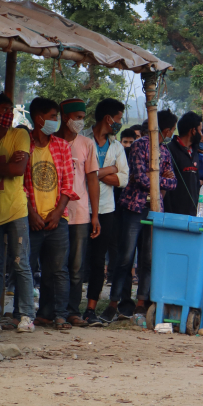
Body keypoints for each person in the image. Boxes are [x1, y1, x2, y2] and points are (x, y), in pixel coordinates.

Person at [102, 110, 177, 322]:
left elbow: (173, 183)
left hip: (154, 209)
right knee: (125, 258)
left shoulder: (165, 150)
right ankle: (114, 303)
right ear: (166, 130)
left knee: (148, 258)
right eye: (171, 130)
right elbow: (143, 179)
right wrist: (162, 178)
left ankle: (141, 303)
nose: (171, 133)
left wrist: (157, 179)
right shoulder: (139, 145)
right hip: (134, 207)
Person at [0, 93, 36, 334]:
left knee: (20, 264)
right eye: (4, 111)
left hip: (15, 209)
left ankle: (25, 314)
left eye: (10, 110)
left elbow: (17, 169)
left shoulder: (20, 134)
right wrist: (0, 166)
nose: (9, 115)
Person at [25, 97, 78, 331]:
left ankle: (59, 315)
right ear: (39, 119)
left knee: (58, 269)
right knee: (26, 267)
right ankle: (25, 313)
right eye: (53, 117)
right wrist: (31, 214)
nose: (56, 121)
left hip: (57, 219)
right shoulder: (24, 144)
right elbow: (20, 185)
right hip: (31, 218)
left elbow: (68, 183)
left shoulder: (61, 146)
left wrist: (57, 213)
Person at [54, 99, 102, 328]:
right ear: (65, 117)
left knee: (76, 267)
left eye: (83, 117)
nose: (81, 122)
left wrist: (95, 214)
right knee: (55, 264)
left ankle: (72, 310)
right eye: (77, 117)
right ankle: (53, 310)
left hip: (80, 213)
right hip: (54, 212)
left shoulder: (86, 144)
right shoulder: (52, 141)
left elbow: (92, 179)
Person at [84, 98, 128, 326]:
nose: (120, 123)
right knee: (76, 259)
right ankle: (68, 306)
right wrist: (108, 170)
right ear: (108, 118)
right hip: (81, 208)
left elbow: (123, 179)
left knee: (98, 259)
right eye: (119, 119)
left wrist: (94, 173)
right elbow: (78, 174)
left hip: (106, 210)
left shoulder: (117, 146)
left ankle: (90, 308)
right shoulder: (83, 140)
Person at [164, 111, 202, 216]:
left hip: (192, 212)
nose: (202, 135)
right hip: (172, 213)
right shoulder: (168, 150)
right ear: (193, 131)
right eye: (200, 131)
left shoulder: (194, 152)